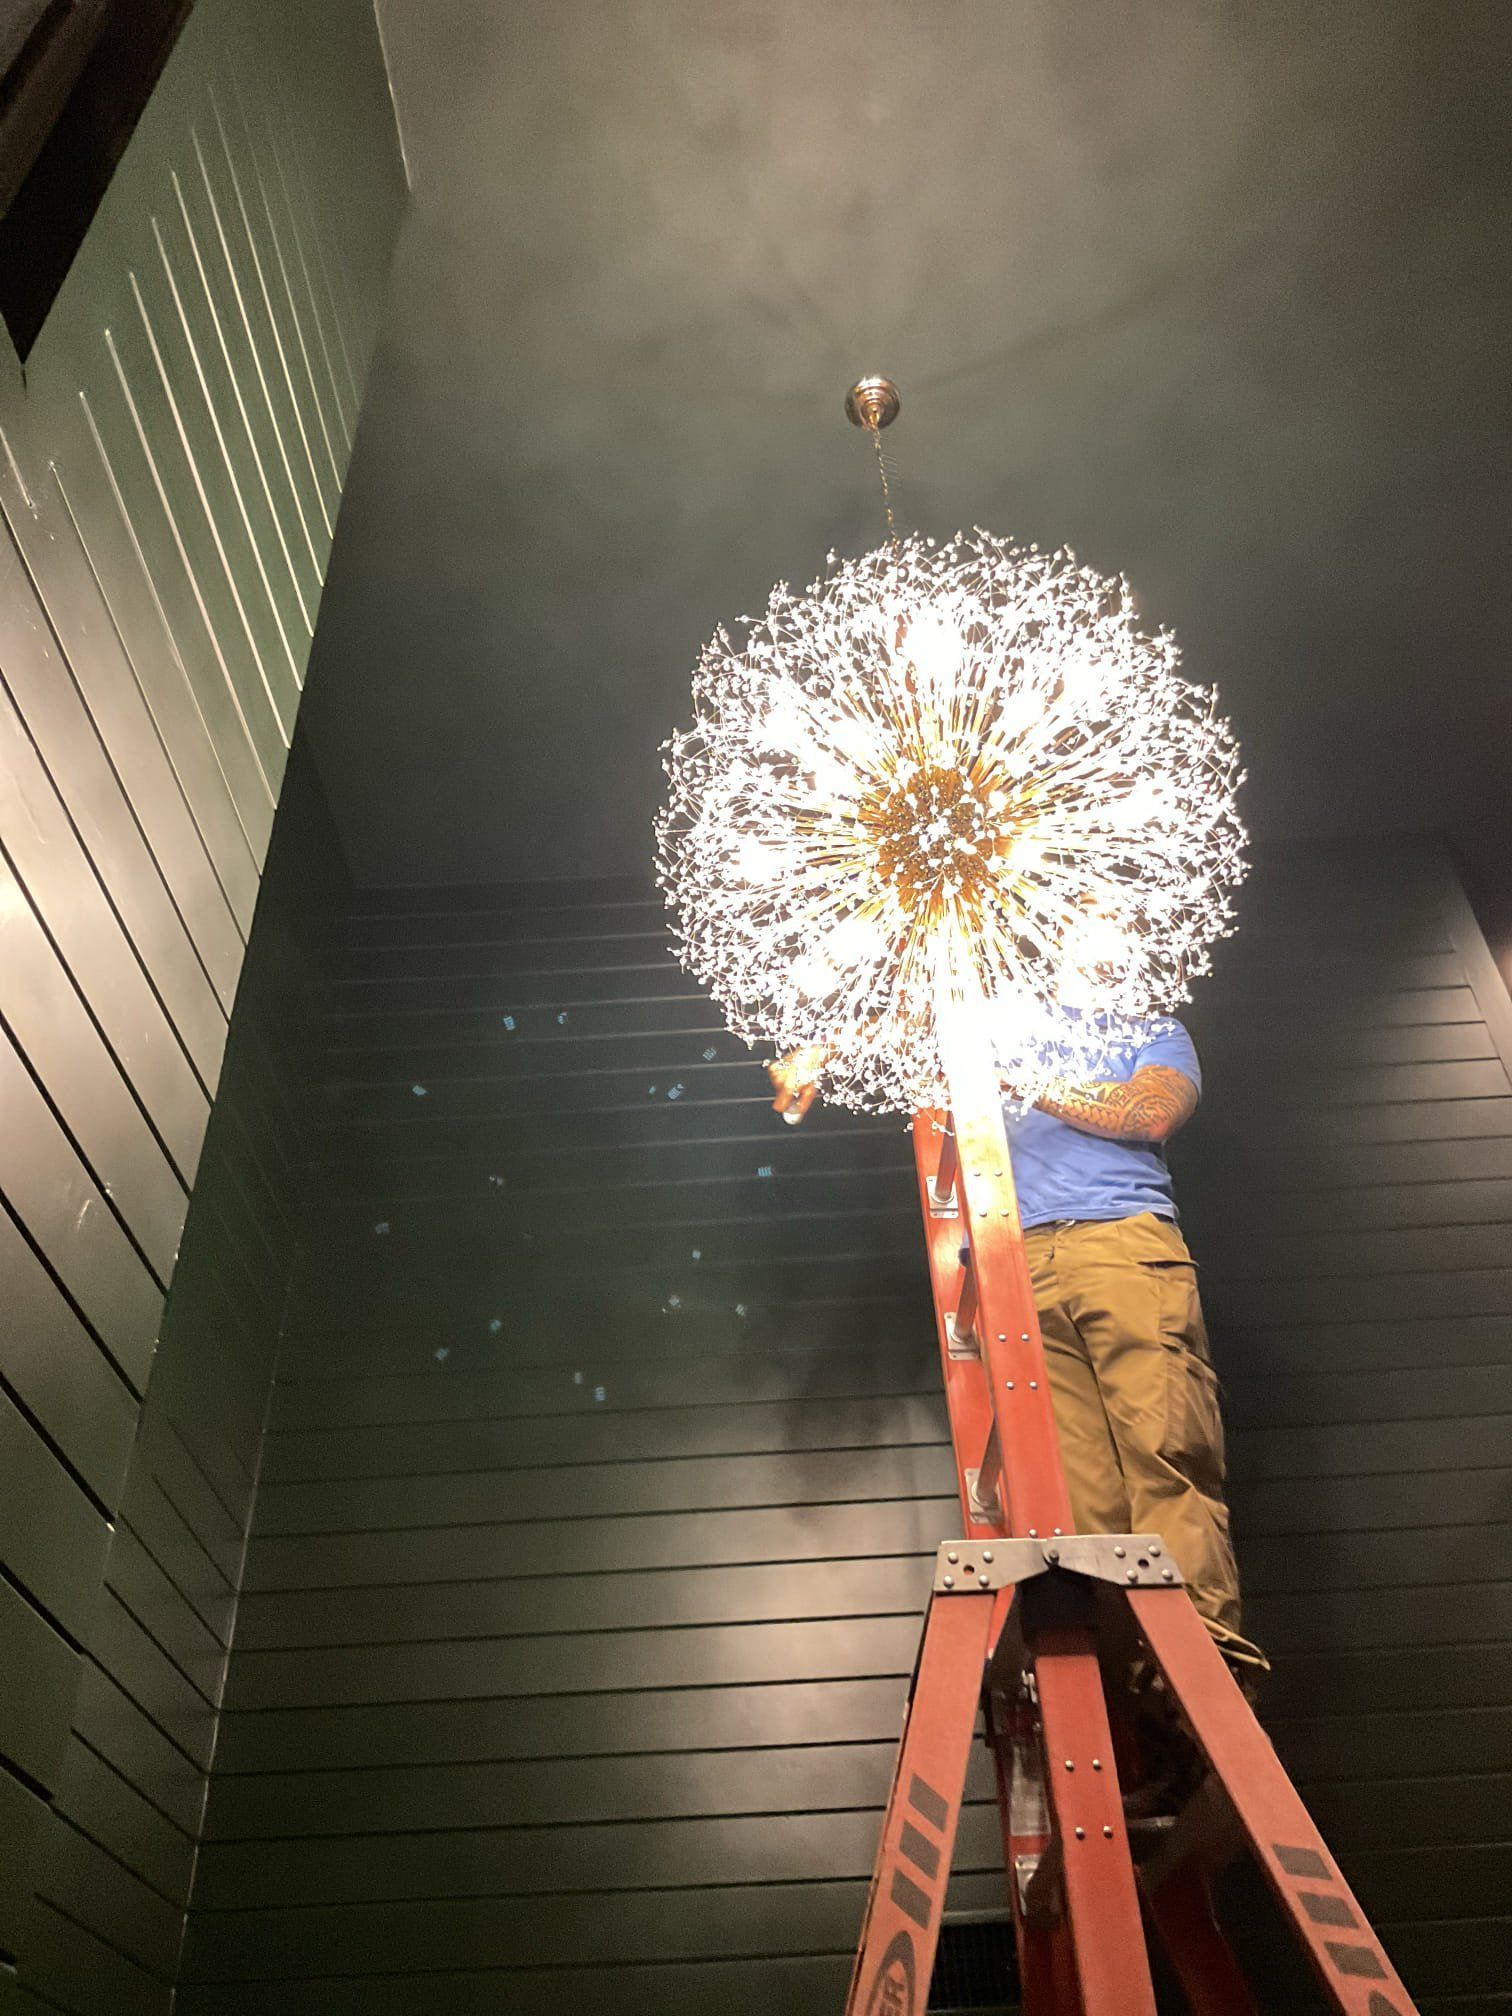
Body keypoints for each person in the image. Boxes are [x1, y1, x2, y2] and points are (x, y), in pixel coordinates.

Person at [768, 1016, 1267, 1685]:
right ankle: (1132, 1699)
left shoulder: (1147, 1027)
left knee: (1165, 1453)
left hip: (1121, 1242)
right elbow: (902, 1022)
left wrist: (1015, 1078)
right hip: (1017, 1267)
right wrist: (815, 1053)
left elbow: (1148, 1113)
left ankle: (1199, 1673)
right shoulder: (996, 1022)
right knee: (1084, 1504)